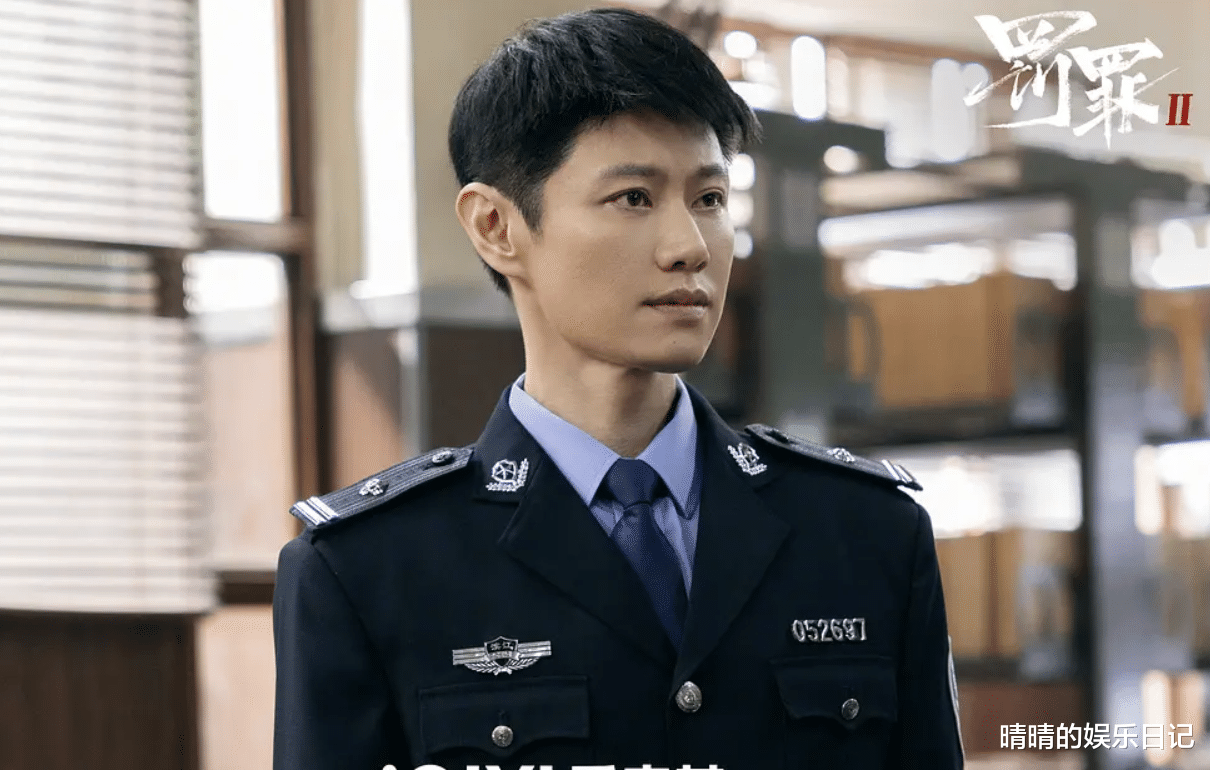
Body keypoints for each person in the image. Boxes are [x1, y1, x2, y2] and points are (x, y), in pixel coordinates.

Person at [272, 7, 964, 770]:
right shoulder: (367, 570)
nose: (690, 247)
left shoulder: (868, 534)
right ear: (497, 227)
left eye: (710, 199)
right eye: (634, 197)